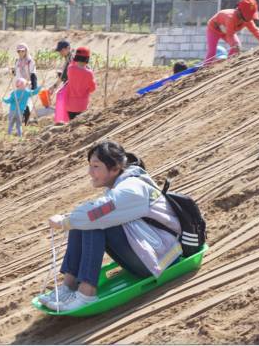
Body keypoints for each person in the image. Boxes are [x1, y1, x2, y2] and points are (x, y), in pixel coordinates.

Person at [39, 141, 183, 311]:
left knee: (92, 223)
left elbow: (96, 214)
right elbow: (93, 213)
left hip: (163, 257)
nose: (90, 172)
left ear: (115, 169)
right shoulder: (123, 184)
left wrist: (64, 222)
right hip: (150, 249)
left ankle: (86, 294)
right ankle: (68, 287)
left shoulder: (131, 189)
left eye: (95, 166)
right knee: (82, 222)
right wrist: (70, 221)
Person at [204, 0, 259, 66]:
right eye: (248, 16)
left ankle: (227, 64)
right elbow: (230, 35)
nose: (250, 19)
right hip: (213, 30)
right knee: (212, 52)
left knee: (236, 47)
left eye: (251, 16)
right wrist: (234, 45)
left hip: (227, 31)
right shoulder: (230, 17)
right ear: (240, 12)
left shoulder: (247, 20)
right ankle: (204, 67)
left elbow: (255, 30)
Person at [66, 46, 96, 120]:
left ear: (76, 57)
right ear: (87, 59)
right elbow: (92, 89)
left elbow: (73, 63)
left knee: (71, 124)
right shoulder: (89, 73)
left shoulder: (70, 69)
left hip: (70, 105)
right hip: (82, 106)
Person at [13, 43, 38, 125]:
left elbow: (33, 74)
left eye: (22, 51)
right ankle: (23, 121)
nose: (21, 53)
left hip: (27, 84)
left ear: (26, 51)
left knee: (26, 103)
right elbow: (16, 73)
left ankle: (26, 122)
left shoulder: (30, 61)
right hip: (19, 85)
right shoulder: (17, 61)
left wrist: (33, 86)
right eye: (19, 51)